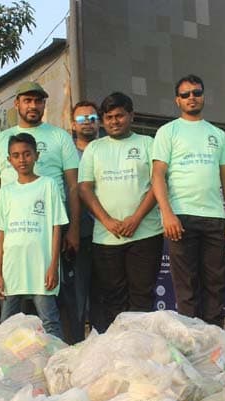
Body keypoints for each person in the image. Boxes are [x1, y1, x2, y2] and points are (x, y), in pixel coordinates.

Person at [0, 81, 81, 308]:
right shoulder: (0, 141)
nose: (32, 106)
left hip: (52, 226)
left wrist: (73, 229)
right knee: (15, 301)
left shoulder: (60, 137)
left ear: (44, 104)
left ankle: (63, 344)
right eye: (27, 100)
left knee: (56, 299)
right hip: (13, 229)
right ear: (17, 104)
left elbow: (73, 186)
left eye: (38, 101)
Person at [152, 74, 225, 327]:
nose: (192, 98)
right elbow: (158, 175)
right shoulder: (167, 132)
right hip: (181, 217)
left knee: (215, 284)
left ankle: (215, 343)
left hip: (214, 219)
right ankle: (192, 344)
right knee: (186, 287)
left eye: (197, 93)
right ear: (177, 100)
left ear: (204, 96)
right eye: (186, 94)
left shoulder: (218, 135)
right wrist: (167, 214)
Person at [79, 92, 163, 333]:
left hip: (146, 234)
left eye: (119, 116)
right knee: (113, 298)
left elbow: (157, 184)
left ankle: (141, 348)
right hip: (107, 237)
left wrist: (136, 218)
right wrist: (106, 221)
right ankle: (119, 351)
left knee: (141, 296)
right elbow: (84, 188)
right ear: (103, 121)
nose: (114, 121)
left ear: (131, 116)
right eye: (108, 117)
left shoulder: (148, 143)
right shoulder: (94, 148)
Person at [0, 133, 68, 338]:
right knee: (6, 326)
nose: (22, 159)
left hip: (41, 267)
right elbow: (1, 234)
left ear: (36, 155)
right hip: (12, 269)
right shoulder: (5, 192)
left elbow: (56, 228)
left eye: (27, 154)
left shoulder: (48, 185)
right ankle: (4, 367)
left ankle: (57, 364)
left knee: (49, 321)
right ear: (9, 160)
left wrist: (53, 265)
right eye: (16, 155)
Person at [60, 101, 99, 342]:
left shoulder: (107, 148)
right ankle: (75, 347)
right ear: (73, 124)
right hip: (77, 235)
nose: (88, 122)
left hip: (109, 234)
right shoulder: (67, 154)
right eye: (82, 119)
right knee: (75, 297)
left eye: (92, 117)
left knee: (103, 297)